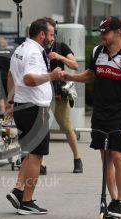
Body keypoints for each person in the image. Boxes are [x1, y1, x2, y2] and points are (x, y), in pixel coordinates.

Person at [61, 16, 121, 218]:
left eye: (105, 33)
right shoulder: (97, 52)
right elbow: (91, 74)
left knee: (117, 155)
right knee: (104, 156)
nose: (102, 36)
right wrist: (70, 77)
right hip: (100, 112)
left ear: (117, 32)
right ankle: (113, 199)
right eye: (100, 32)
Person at [5, 17, 62, 215]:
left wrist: (11, 103)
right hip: (34, 108)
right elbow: (29, 78)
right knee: (37, 156)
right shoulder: (33, 52)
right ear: (42, 34)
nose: (52, 38)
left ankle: (19, 191)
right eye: (51, 34)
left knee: (29, 153)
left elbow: (12, 76)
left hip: (24, 105)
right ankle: (27, 202)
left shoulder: (20, 49)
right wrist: (51, 76)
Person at [40, 19, 83, 175]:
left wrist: (59, 57)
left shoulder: (61, 47)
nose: (49, 36)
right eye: (46, 32)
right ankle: (42, 163)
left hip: (58, 92)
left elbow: (75, 65)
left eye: (51, 33)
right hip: (41, 92)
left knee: (66, 126)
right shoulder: (36, 48)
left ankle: (77, 158)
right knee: (42, 127)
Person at [0, 36, 12, 113]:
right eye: (0, 42)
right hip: (3, 77)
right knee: (4, 98)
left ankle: (5, 116)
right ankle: (5, 116)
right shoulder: (10, 52)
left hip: (5, 77)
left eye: (3, 41)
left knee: (4, 97)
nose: (2, 42)